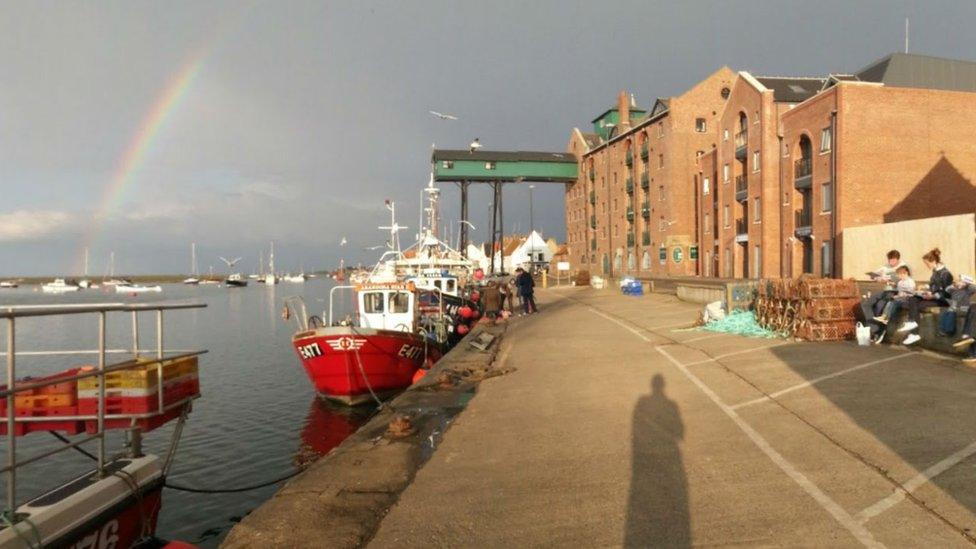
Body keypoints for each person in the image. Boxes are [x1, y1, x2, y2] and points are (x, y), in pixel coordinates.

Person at [897, 248, 953, 346]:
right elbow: (933, 286)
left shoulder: (946, 274)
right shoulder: (935, 271)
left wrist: (933, 296)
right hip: (933, 296)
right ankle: (912, 325)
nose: (926, 266)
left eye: (927, 263)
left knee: (917, 306)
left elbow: (947, 293)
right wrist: (925, 287)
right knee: (913, 298)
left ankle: (914, 332)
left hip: (943, 300)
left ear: (933, 261)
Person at [860, 250, 906, 341]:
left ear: (897, 259)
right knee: (866, 304)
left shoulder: (903, 267)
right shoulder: (885, 267)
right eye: (889, 260)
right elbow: (876, 274)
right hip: (885, 291)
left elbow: (903, 281)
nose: (890, 262)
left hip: (895, 291)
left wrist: (888, 280)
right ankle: (874, 329)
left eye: (892, 260)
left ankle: (878, 332)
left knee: (879, 306)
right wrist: (875, 277)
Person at [871, 265, 915, 342]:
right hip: (900, 298)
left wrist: (901, 295)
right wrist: (896, 292)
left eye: (900, 275)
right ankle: (884, 316)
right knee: (890, 301)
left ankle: (886, 317)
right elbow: (899, 290)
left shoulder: (910, 281)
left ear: (905, 273)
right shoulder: (900, 282)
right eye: (898, 275)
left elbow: (911, 293)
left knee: (894, 302)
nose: (899, 276)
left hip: (907, 299)